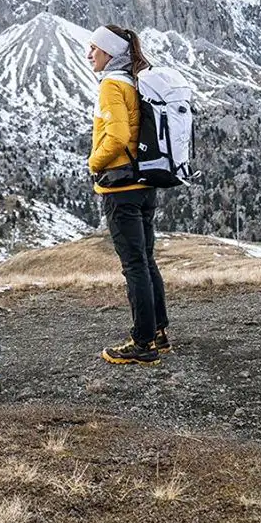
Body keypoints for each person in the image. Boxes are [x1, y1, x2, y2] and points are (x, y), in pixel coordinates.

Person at [86, 23, 171, 366]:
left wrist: (94, 161)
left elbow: (118, 136)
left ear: (108, 52)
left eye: (94, 48)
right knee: (146, 260)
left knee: (134, 264)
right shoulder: (136, 81)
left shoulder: (111, 85)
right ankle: (159, 332)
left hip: (121, 188)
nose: (89, 54)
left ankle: (142, 342)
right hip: (145, 183)